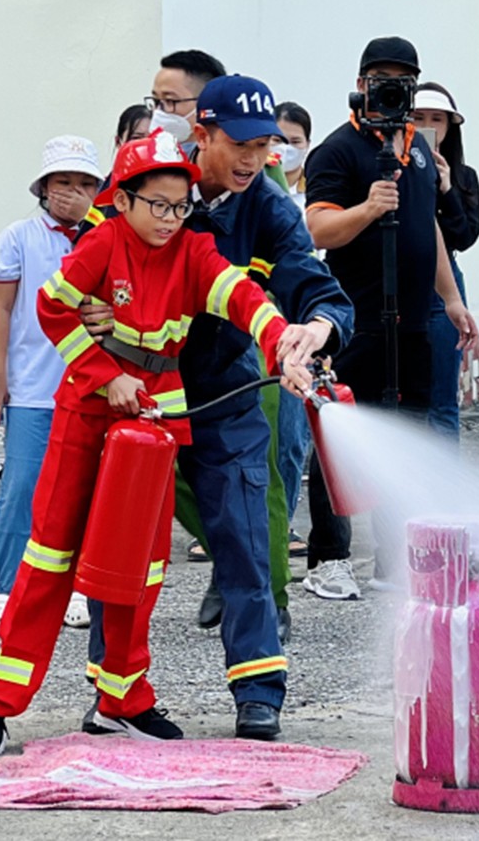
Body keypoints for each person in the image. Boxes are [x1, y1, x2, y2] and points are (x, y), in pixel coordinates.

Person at [0, 131, 321, 755]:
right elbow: (53, 311)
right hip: (86, 418)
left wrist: (284, 343)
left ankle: (122, 699)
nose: (168, 219)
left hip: (159, 421)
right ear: (124, 200)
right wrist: (108, 376)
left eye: (180, 206)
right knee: (50, 558)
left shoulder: (194, 252)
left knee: (140, 568)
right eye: (156, 204)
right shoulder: (100, 242)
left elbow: (245, 300)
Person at [83, 75, 353, 741]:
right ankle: (113, 694)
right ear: (200, 134)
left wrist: (313, 331)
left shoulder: (267, 206)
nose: (253, 160)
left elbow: (313, 285)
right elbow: (85, 262)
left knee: (245, 545)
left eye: (265, 147)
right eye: (239, 144)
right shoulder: (149, 178)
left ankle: (259, 693)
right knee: (120, 553)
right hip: (139, 400)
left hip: (226, 398)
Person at [304, 36, 478, 599]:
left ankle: (392, 560)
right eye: (380, 78)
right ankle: (328, 558)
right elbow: (317, 229)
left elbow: (428, 226)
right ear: (360, 85)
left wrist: (450, 299)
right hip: (354, 319)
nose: (390, 89)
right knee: (342, 435)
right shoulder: (336, 151)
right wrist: (369, 208)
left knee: (406, 435)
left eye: (402, 79)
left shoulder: (418, 148)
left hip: (415, 321)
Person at [0, 136, 104, 631]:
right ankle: (6, 589)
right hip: (32, 386)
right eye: (63, 182)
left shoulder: (108, 236)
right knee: (23, 488)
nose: (73, 192)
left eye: (85, 183)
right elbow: (1, 308)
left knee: (85, 492)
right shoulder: (18, 237)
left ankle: (76, 587)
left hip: (92, 384)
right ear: (45, 187)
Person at [413, 82, 479, 442]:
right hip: (397, 283)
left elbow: (465, 236)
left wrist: (446, 189)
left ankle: (441, 494)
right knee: (403, 400)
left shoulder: (463, 176)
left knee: (442, 400)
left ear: (449, 126)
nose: (429, 125)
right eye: (419, 117)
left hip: (445, 289)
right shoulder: (388, 167)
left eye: (437, 119)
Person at [271, 100, 315, 562]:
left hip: (298, 333)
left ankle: (281, 525)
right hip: (253, 330)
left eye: (293, 142)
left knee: (290, 434)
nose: (282, 151)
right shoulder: (255, 199)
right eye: (274, 141)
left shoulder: (314, 203)